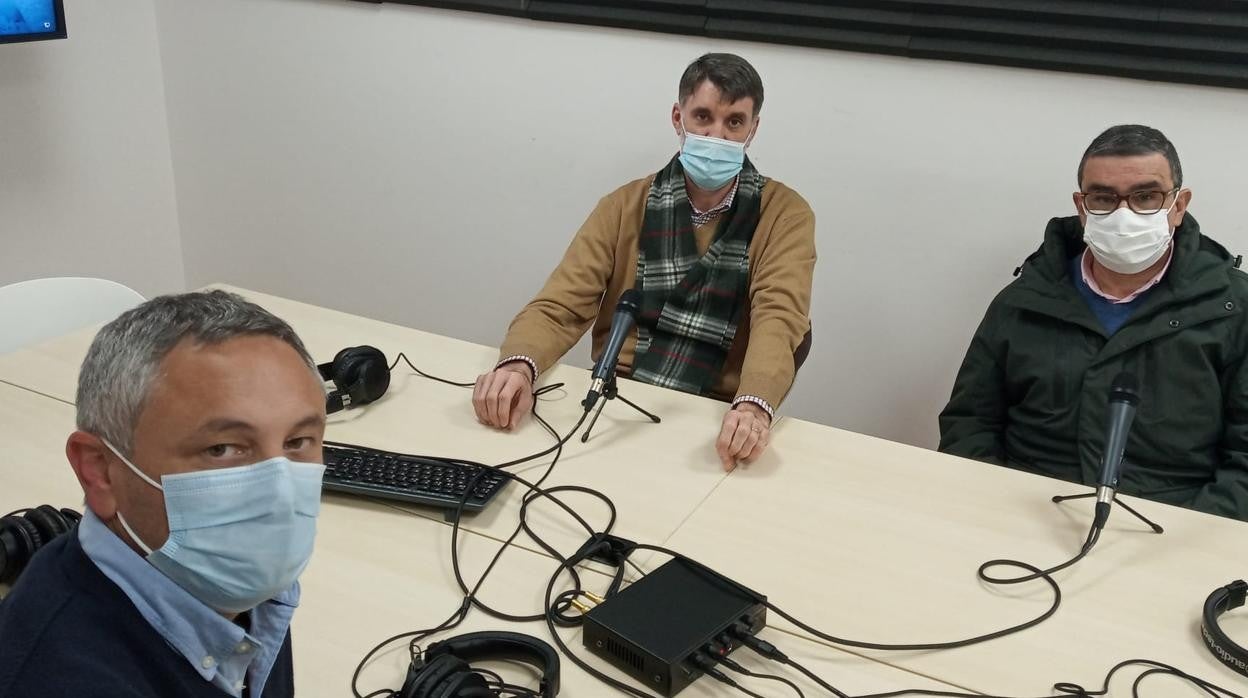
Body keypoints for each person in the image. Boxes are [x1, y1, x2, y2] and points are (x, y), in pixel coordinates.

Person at [472, 53, 816, 470]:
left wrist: (754, 406)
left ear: (753, 129)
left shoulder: (785, 214)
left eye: (734, 122)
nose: (717, 135)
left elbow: (779, 317)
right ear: (678, 117)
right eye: (703, 116)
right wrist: (518, 364)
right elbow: (562, 303)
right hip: (617, 399)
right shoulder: (622, 206)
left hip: (718, 413)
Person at [0, 290, 328, 697]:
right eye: (222, 449)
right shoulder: (64, 679)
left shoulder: (233, 590)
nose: (279, 494)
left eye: (297, 441)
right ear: (100, 471)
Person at [939, 124, 1248, 521]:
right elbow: (970, 423)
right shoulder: (1024, 300)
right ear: (1082, 207)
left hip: (1174, 522)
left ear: (1179, 205)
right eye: (1103, 197)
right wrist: (993, 508)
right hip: (1025, 512)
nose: (1124, 213)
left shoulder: (1233, 309)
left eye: (1146, 197)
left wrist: (1184, 538)